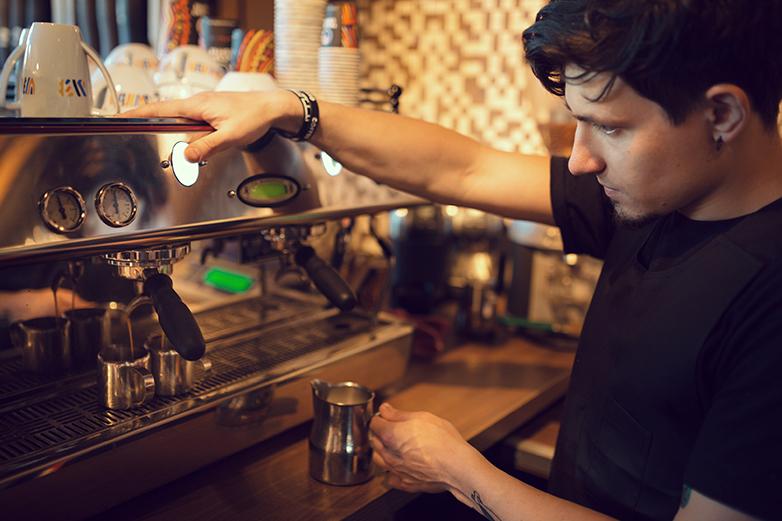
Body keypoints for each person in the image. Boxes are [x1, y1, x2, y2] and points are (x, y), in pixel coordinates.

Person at [125, 1, 782, 519]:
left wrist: (462, 473)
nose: (582, 159)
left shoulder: (767, 299)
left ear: (721, 113)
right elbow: (464, 169)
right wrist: (295, 110)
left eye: (610, 127)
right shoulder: (666, 194)